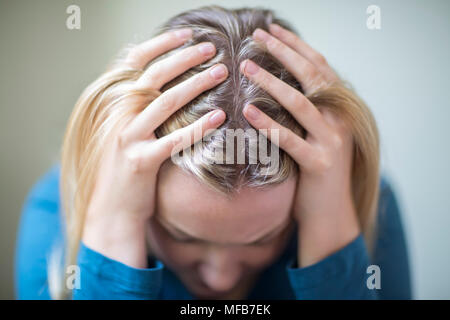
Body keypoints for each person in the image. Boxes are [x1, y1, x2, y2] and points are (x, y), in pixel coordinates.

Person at [15, 5, 411, 299]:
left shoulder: (368, 206)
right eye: (180, 237)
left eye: (261, 240)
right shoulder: (57, 214)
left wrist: (332, 235)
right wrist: (112, 232)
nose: (220, 280)